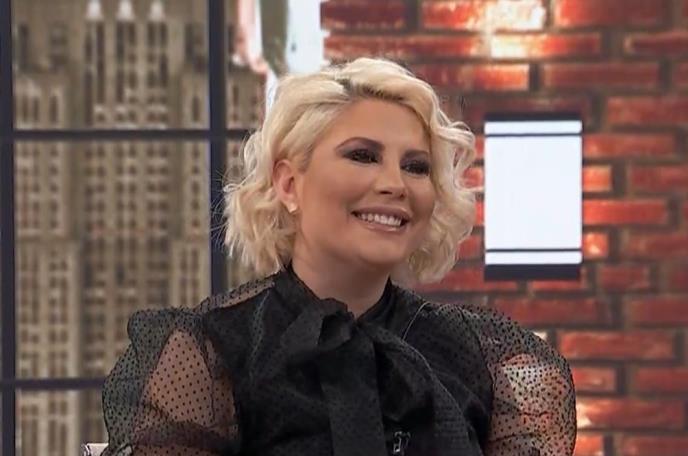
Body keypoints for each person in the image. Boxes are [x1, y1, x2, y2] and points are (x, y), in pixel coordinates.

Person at [101, 57, 576, 456]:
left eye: (416, 167)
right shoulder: (211, 354)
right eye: (363, 156)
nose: (395, 184)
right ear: (289, 184)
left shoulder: (484, 356)